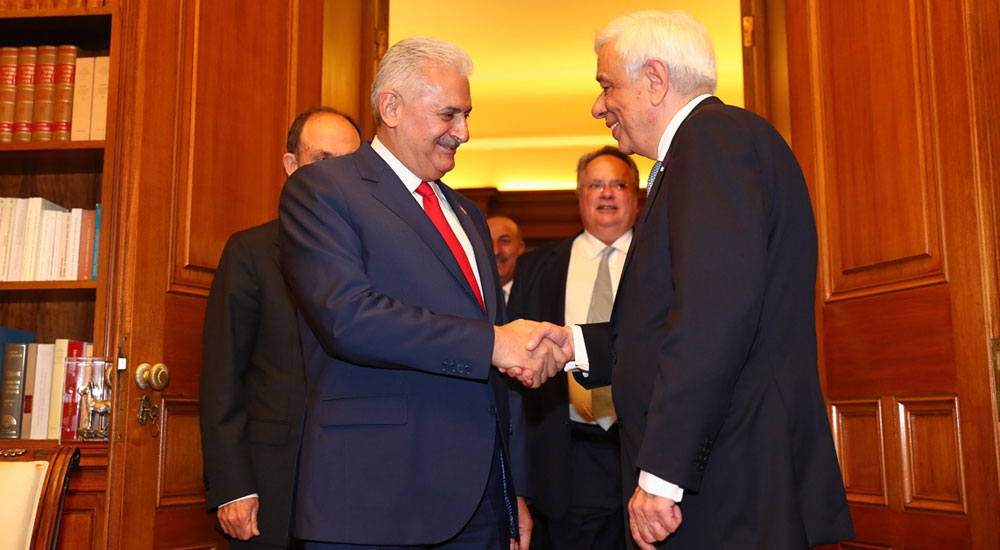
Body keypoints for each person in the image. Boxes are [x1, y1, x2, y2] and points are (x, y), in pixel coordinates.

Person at [521, 10, 853, 550]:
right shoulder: (707, 147)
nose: (599, 105)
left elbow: (713, 317)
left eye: (607, 85)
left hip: (726, 478)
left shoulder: (712, 140)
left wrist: (661, 475)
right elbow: (675, 314)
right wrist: (576, 344)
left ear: (655, 80)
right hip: (727, 470)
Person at [278, 36, 563, 550]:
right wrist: (493, 344)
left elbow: (501, 364)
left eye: (467, 115)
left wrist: (513, 488)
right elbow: (348, 317)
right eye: (448, 114)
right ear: (391, 107)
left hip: (481, 502)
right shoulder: (323, 189)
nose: (464, 132)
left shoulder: (468, 214)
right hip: (376, 497)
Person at [200, 106, 363, 549]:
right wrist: (233, 487)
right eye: (322, 160)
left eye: (348, 163)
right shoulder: (250, 252)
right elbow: (222, 379)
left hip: (361, 486)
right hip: (273, 486)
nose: (336, 175)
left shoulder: (381, 257)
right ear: (292, 166)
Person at [507, 146, 638, 550]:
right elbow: (514, 372)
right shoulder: (535, 268)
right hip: (566, 462)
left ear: (637, 196)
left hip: (646, 455)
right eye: (595, 185)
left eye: (618, 185)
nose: (607, 194)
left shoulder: (668, 260)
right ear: (579, 195)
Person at [487, 215, 525, 304]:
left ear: (521, 247)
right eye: (488, 242)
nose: (496, 251)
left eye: (504, 241)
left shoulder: (539, 297)